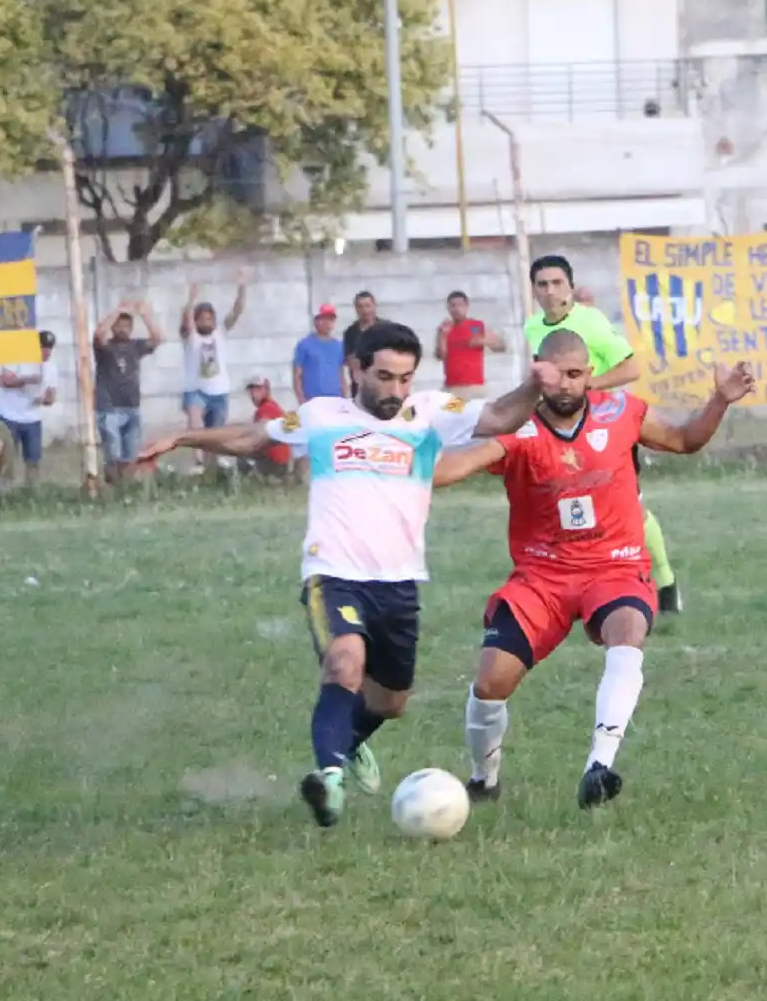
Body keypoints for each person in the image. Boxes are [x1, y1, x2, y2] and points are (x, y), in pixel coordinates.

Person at [137, 321, 558, 829]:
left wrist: (536, 384)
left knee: (391, 701)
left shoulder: (430, 413)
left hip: (399, 582)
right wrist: (184, 436)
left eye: (405, 378)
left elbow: (498, 415)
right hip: (332, 572)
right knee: (344, 662)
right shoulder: (322, 415)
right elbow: (252, 437)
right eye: (384, 377)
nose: (396, 390)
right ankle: (329, 779)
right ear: (354, 369)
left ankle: (347, 742)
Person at [430, 330, 755, 808]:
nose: (564, 385)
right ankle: (484, 779)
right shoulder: (516, 429)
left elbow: (686, 439)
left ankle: (599, 766)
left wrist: (720, 401)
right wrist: (397, 457)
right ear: (536, 370)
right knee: (489, 682)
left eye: (575, 374)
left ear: (588, 375)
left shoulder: (620, 411)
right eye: (553, 374)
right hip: (542, 577)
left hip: (615, 566)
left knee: (627, 632)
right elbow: (452, 469)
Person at [523, 254, 681, 615]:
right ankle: (574, 581)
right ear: (533, 290)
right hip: (562, 428)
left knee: (630, 508)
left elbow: (632, 366)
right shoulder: (533, 327)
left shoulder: (589, 322)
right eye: (542, 284)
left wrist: (588, 384)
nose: (550, 291)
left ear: (570, 287)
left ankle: (665, 581)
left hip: (605, 428)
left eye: (557, 283)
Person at [180, 276, 246, 473]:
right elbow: (186, 319)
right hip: (196, 390)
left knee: (215, 432)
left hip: (219, 391)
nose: (206, 321)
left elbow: (237, 311)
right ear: (196, 320)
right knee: (195, 422)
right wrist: (191, 300)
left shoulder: (220, 333)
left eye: (210, 318)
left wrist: (242, 286)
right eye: (202, 318)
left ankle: (212, 465)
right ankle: (198, 462)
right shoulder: (191, 337)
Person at [94, 300, 163, 482]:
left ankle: (126, 490)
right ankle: (111, 488)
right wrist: (117, 311)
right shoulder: (105, 348)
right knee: (113, 455)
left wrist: (145, 315)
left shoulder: (135, 347)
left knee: (130, 457)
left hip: (131, 406)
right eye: (119, 325)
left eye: (127, 325)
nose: (123, 329)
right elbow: (99, 333)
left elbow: (158, 338)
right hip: (109, 408)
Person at [0, 330, 58, 482]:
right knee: (7, 458)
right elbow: (4, 381)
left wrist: (45, 399)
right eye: (43, 347)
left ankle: (31, 490)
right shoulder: (17, 358)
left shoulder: (51, 367)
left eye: (49, 347)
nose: (46, 351)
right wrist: (26, 380)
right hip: (10, 415)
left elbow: (51, 395)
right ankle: (5, 490)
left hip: (33, 418)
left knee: (33, 460)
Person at [436, 290, 505, 399]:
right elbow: (440, 356)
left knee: (469, 415)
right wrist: (442, 336)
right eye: (453, 305)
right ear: (448, 308)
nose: (457, 309)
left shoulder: (476, 326)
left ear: (467, 306)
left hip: (474, 388)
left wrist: (483, 341)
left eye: (460, 305)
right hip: (453, 388)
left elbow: (501, 346)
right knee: (449, 413)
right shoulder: (445, 328)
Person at [293, 305, 347, 403]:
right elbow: (297, 375)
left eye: (331, 320)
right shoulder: (304, 345)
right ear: (316, 321)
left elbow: (341, 373)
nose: (328, 323)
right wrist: (301, 400)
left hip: (336, 400)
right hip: (312, 400)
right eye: (324, 319)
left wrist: (344, 397)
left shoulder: (339, 346)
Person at [241, 375, 291, 479]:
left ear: (266, 390)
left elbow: (259, 437)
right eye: (252, 390)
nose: (254, 394)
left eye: (258, 389)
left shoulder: (265, 409)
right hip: (281, 462)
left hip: (274, 463)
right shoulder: (273, 406)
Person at [342, 290, 380, 398]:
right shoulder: (350, 332)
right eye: (360, 306)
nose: (364, 310)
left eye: (367, 306)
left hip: (384, 385)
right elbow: (350, 359)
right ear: (356, 309)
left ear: (374, 306)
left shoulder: (387, 329)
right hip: (360, 389)